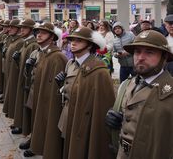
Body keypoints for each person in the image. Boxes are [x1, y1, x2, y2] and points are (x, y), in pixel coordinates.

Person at [110, 30, 173, 158]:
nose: (140, 57)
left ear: (164, 57)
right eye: (137, 52)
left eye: (149, 52)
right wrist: (116, 121)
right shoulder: (126, 85)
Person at [60, 27, 115, 159]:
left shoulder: (99, 70)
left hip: (84, 124)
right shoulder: (70, 64)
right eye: (72, 40)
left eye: (79, 40)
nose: (73, 43)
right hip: (68, 117)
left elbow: (103, 106)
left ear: (90, 44)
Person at [25, 22, 67, 158]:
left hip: (49, 98)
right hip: (38, 93)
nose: (39, 34)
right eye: (37, 32)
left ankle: (48, 149)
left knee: (48, 123)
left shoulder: (57, 56)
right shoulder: (41, 52)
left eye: (43, 32)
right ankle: (36, 143)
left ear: (52, 37)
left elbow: (58, 86)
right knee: (38, 120)